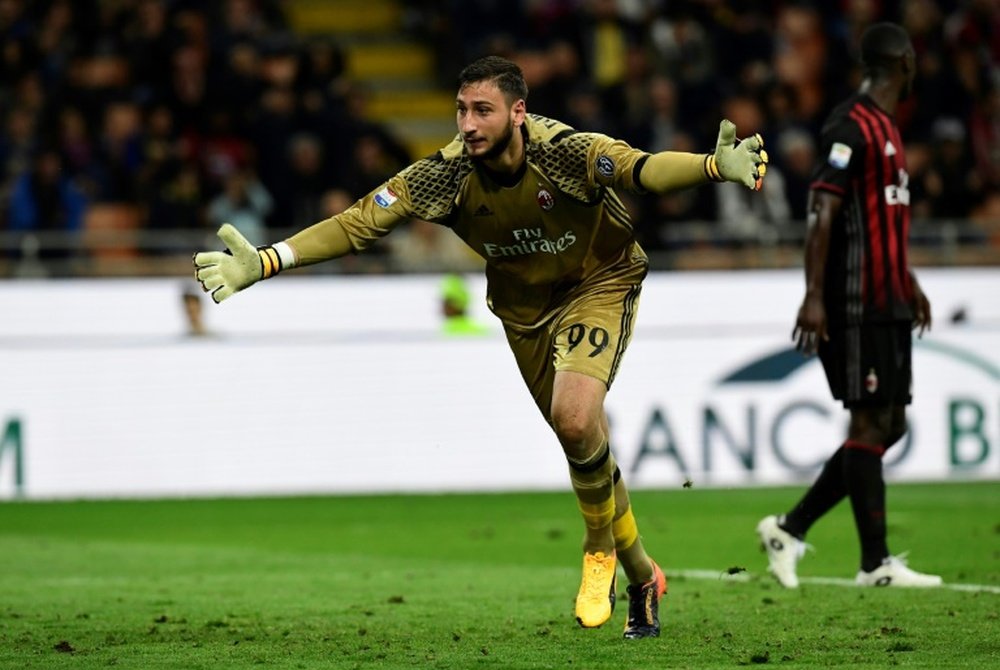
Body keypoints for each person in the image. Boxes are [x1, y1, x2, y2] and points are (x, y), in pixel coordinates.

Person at [194, 56, 768, 637]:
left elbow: (642, 170)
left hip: (600, 281)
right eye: (462, 110)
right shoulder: (444, 175)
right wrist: (268, 260)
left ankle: (599, 551)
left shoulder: (564, 152)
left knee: (574, 419)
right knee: (584, 439)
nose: (468, 124)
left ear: (518, 113)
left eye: (482, 111)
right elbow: (356, 223)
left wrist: (712, 167)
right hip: (524, 313)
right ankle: (644, 575)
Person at [756, 23, 942, 589]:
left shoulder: (887, 128)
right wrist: (814, 296)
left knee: (891, 423)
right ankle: (875, 563)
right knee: (869, 421)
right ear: (905, 62)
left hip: (889, 298)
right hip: (855, 302)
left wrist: (908, 279)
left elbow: (877, 216)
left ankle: (791, 527)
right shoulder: (851, 124)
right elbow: (822, 210)